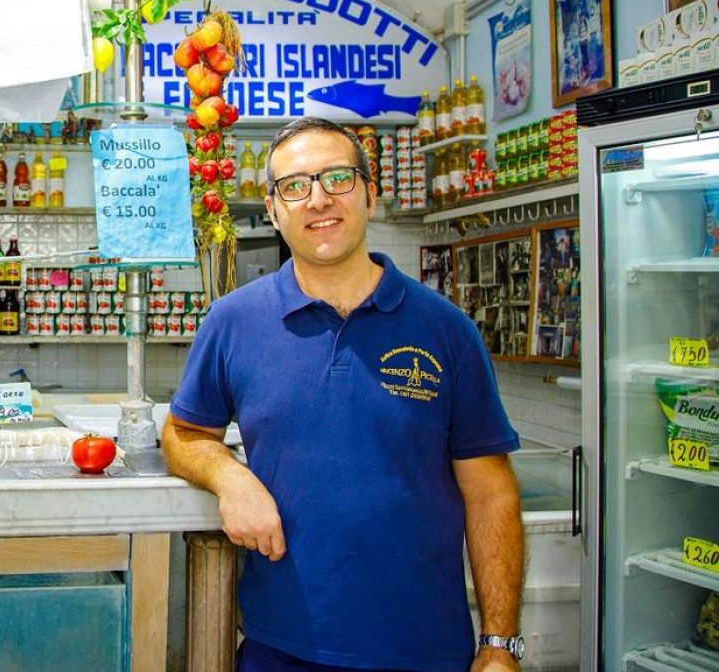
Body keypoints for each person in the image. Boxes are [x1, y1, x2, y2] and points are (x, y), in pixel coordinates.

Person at [162, 117, 525, 672]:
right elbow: (184, 434)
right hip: (281, 647)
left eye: (337, 178)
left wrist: (500, 644)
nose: (317, 200)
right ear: (274, 208)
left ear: (370, 194)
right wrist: (231, 477)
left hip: (425, 649)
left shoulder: (448, 331)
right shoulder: (233, 321)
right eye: (295, 186)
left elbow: (490, 492)